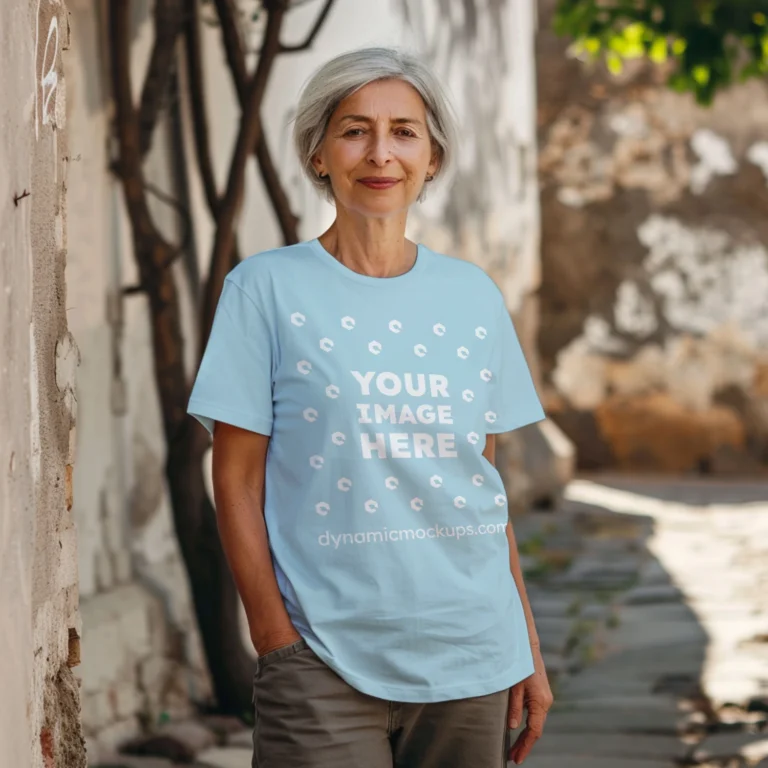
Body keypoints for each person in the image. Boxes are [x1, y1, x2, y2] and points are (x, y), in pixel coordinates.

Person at [187, 46, 552, 768]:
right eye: (354, 130)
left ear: (432, 157)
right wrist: (275, 639)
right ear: (319, 153)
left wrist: (527, 649)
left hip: (472, 655)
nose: (380, 153)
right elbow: (234, 481)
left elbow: (481, 489)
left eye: (404, 132)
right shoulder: (264, 290)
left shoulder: (472, 296)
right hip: (321, 659)